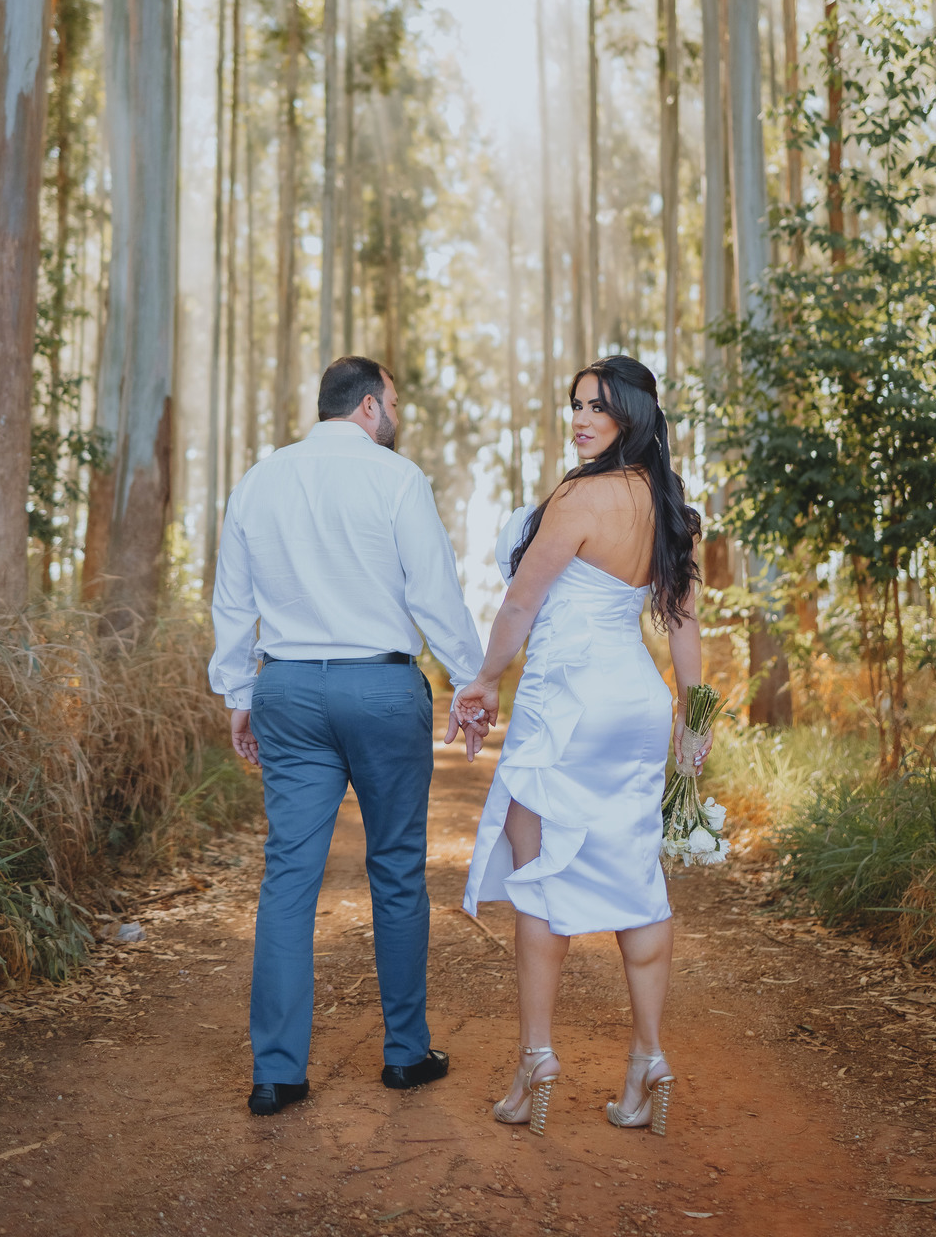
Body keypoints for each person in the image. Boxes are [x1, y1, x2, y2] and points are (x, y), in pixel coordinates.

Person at [209, 355, 486, 1117]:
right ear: (368, 406)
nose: (395, 413)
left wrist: (239, 693)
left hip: (288, 690)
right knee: (396, 869)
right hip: (382, 688)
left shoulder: (259, 480)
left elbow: (232, 600)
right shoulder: (397, 480)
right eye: (392, 400)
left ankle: (277, 1073)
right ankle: (406, 1055)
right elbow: (434, 593)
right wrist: (470, 681)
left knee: (288, 877)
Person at [454, 356, 710, 1138]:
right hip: (637, 705)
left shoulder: (579, 497)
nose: (581, 418)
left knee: (539, 877)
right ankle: (648, 1059)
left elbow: (521, 603)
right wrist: (693, 722)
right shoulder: (667, 507)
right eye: (576, 405)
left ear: (632, 415)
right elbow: (684, 623)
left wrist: (484, 681)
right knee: (638, 875)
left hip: (566, 704)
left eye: (598, 406)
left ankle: (535, 1060)